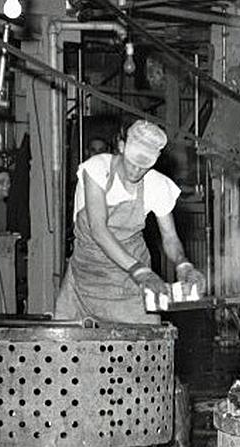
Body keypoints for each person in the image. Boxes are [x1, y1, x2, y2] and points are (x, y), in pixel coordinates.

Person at [54, 119, 205, 324]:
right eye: (133, 163)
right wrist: (142, 272)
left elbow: (170, 238)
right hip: (85, 279)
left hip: (129, 287)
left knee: (144, 343)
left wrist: (183, 265)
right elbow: (98, 230)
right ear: (122, 147)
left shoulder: (157, 185)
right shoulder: (97, 169)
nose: (136, 172)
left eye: (144, 166)